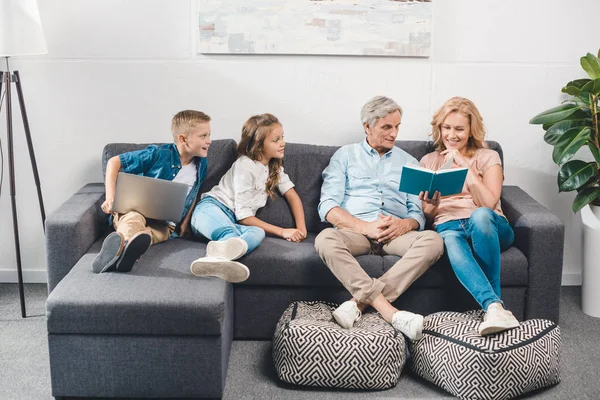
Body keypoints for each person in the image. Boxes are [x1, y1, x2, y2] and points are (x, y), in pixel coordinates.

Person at [315, 96, 444, 340]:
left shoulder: (408, 161)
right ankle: (389, 312)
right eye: (387, 127)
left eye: (397, 126)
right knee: (325, 239)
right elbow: (328, 207)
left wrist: (405, 224)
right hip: (357, 233)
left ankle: (358, 304)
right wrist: (366, 227)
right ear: (367, 126)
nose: (394, 134)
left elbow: (416, 212)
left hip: (397, 235)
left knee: (433, 241)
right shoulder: (345, 156)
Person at [419, 96, 519, 336]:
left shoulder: (488, 156)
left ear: (471, 131)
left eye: (459, 129)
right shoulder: (429, 160)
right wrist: (431, 203)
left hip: (489, 225)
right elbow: (429, 215)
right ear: (439, 128)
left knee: (481, 216)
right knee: (450, 238)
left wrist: (464, 167)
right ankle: (493, 307)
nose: (452, 135)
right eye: (447, 128)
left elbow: (488, 202)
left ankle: (494, 305)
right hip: (449, 225)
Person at [189, 113, 307, 283]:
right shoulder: (245, 165)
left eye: (282, 137)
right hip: (209, 210)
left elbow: (292, 196)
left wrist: (301, 229)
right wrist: (283, 231)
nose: (283, 143)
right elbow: (244, 217)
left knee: (257, 232)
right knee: (231, 234)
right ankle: (218, 256)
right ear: (259, 145)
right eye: (276, 140)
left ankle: (215, 260)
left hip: (232, 222)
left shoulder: (274, 168)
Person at [92, 110, 211, 273]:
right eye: (203, 136)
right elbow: (114, 162)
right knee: (134, 221)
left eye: (209, 135)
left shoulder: (201, 164)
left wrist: (185, 223)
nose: (209, 141)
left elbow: (195, 192)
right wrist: (110, 197)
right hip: (136, 211)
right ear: (183, 139)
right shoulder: (158, 154)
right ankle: (121, 250)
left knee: (147, 236)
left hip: (165, 224)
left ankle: (122, 254)